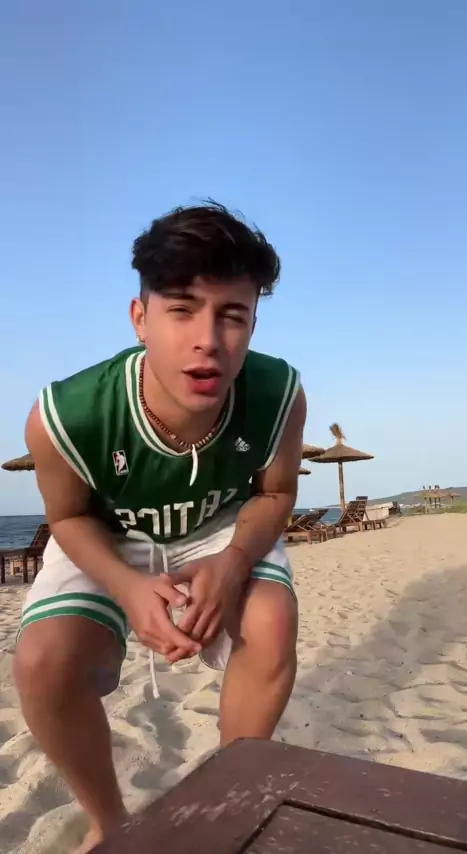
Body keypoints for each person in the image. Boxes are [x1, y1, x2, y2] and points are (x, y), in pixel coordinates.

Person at [14, 202, 306, 853]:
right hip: (111, 532)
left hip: (220, 525)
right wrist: (125, 587)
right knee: (42, 664)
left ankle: (229, 804)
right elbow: (67, 516)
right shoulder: (66, 416)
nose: (209, 339)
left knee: (271, 620)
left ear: (253, 323)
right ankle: (107, 820)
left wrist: (233, 563)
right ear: (139, 317)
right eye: (181, 309)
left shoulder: (279, 394)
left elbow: (276, 492)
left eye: (232, 315)